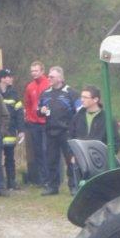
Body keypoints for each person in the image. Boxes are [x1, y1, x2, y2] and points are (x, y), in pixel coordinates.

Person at [37, 66, 81, 195]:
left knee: (71, 160)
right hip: (50, 131)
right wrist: (41, 111)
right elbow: (38, 111)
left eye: (52, 76)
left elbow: (80, 112)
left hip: (67, 132)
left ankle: (74, 186)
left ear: (61, 78)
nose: (49, 78)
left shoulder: (71, 93)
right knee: (51, 160)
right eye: (49, 76)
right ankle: (52, 186)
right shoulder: (45, 93)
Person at [0, 68, 25, 190]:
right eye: (9, 76)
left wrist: (21, 130)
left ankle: (11, 181)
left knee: (10, 158)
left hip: (10, 131)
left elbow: (19, 113)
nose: (11, 78)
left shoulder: (14, 93)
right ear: (2, 78)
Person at [69, 85, 120, 153]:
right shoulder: (77, 117)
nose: (82, 100)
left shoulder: (108, 119)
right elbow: (70, 138)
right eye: (81, 97)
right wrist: (72, 155)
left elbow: (116, 143)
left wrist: (106, 156)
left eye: (85, 97)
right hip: (81, 159)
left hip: (99, 160)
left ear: (95, 99)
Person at [23, 60, 50, 186]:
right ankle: (43, 179)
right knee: (38, 151)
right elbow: (27, 104)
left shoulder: (49, 84)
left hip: (46, 123)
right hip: (34, 123)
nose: (34, 73)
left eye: (36, 71)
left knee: (46, 150)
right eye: (32, 71)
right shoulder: (30, 86)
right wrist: (29, 117)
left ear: (42, 71)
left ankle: (51, 178)